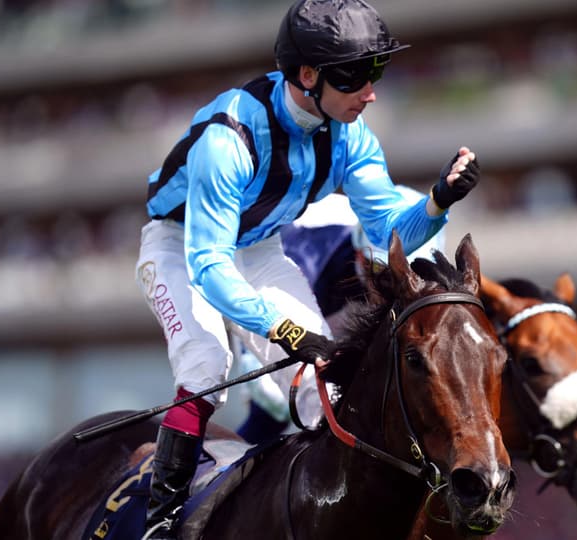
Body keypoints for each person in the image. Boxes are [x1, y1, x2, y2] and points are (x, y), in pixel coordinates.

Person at [134, 0, 481, 537]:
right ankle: (161, 522)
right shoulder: (228, 139)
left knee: (321, 388)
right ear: (307, 75)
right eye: (356, 77)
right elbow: (208, 265)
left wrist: (437, 200)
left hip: (258, 247)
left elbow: (390, 230)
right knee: (206, 369)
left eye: (376, 72)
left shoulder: (350, 134)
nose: (370, 92)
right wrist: (285, 329)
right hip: (182, 248)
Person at [236, 188, 448, 444]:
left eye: (414, 276)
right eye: (386, 276)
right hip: (249, 284)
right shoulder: (307, 258)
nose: (397, 290)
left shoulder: (377, 257)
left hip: (336, 303)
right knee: (275, 406)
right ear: (360, 254)